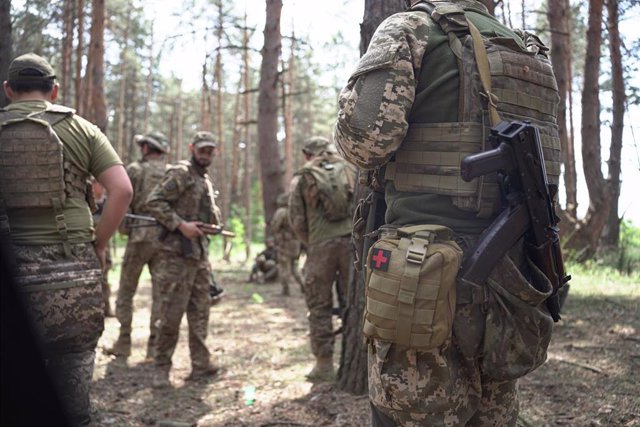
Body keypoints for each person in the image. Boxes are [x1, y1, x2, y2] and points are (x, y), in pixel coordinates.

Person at [334, 1, 562, 425]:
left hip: (425, 275)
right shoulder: (530, 53)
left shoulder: (413, 30)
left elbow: (363, 143)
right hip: (511, 276)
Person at [0, 53, 132, 425]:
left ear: (8, 90)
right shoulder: (81, 129)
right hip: (73, 277)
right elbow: (121, 191)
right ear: (54, 90)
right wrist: (99, 243)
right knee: (73, 399)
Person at [145, 131, 222, 388]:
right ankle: (160, 369)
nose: (206, 155)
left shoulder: (204, 179)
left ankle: (201, 364)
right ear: (192, 148)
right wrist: (180, 225)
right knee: (170, 315)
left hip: (198, 257)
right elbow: (154, 201)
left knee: (200, 313)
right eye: (202, 150)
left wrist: (209, 225)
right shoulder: (181, 173)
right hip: (174, 257)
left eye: (210, 151)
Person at [288, 136, 356, 382]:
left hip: (319, 246)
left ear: (308, 154)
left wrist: (313, 242)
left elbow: (295, 219)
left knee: (319, 307)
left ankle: (324, 365)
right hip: (351, 243)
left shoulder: (303, 176)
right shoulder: (349, 169)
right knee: (354, 303)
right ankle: (355, 357)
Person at [106, 132, 169, 361]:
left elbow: (123, 199)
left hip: (140, 237)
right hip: (164, 238)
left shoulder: (135, 170)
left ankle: (124, 342)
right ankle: (153, 347)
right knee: (160, 294)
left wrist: (122, 229)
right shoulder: (171, 172)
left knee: (126, 289)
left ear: (146, 148)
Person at [270, 192, 302, 296]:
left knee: (284, 266)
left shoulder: (281, 212)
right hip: (296, 243)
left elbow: (275, 226)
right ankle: (304, 286)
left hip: (284, 243)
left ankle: (285, 289)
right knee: (295, 268)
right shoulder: (297, 211)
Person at [91, 178, 114, 317]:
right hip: (92, 244)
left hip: (105, 245)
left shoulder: (107, 203)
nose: (99, 187)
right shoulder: (88, 203)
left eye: (100, 184)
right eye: (96, 183)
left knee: (105, 278)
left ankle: (106, 307)